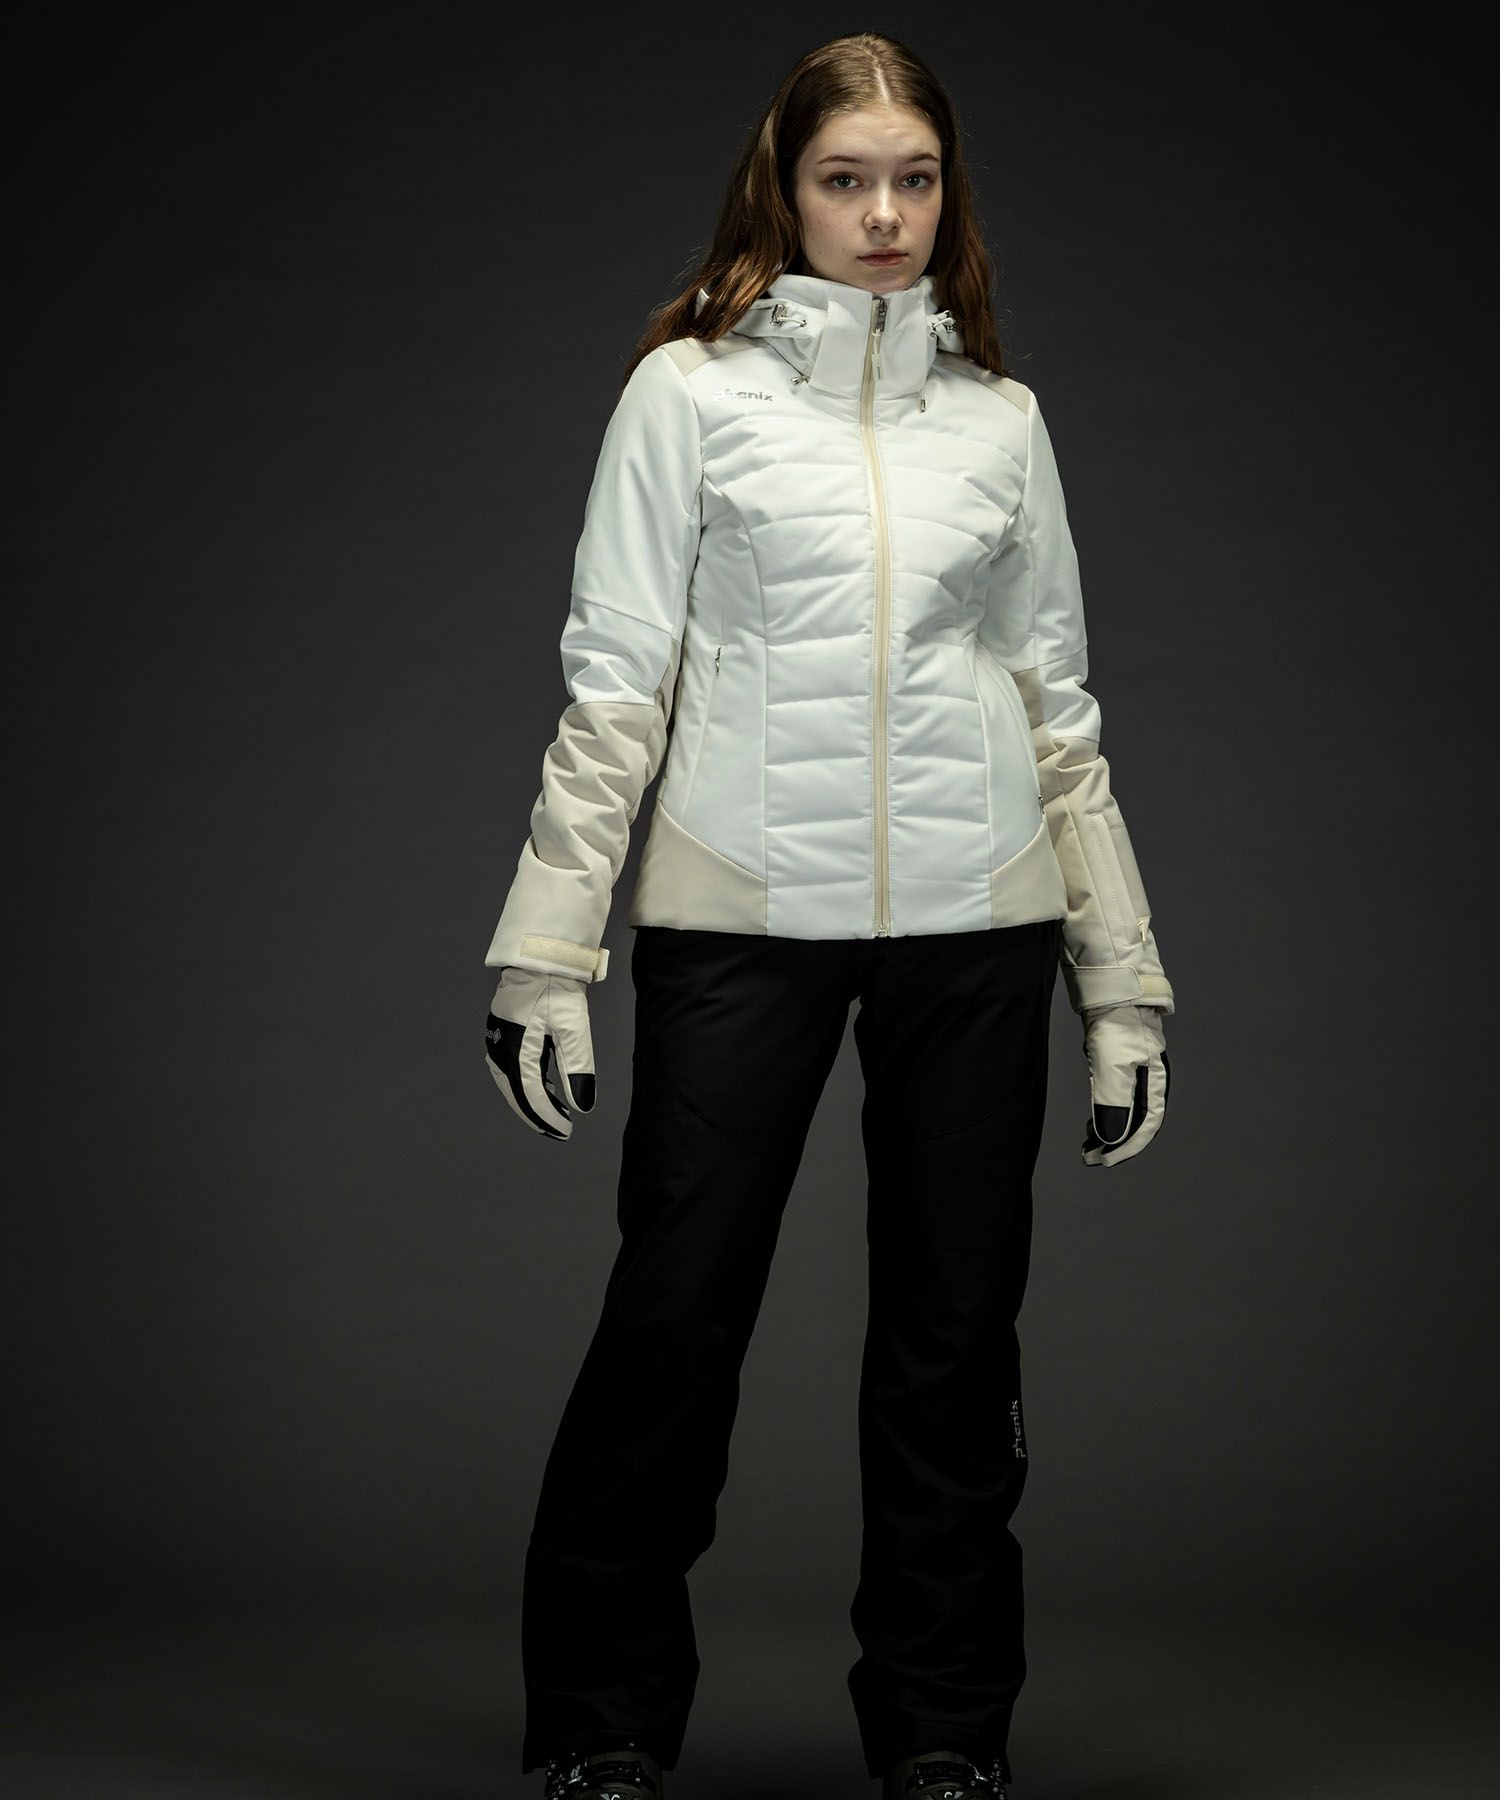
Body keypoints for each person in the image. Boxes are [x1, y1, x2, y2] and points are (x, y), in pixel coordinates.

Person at [481, 30, 1174, 1800]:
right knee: (677, 1315)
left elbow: (1058, 707)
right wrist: (547, 950)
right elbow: (617, 683)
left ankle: (946, 1735)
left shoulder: (1002, 423)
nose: (883, 215)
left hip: (979, 923)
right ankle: (603, 1728)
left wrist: (1122, 983)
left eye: (914, 180)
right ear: (782, 191)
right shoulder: (686, 396)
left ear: (949, 197)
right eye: (845, 179)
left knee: (956, 1341)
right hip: (739, 910)